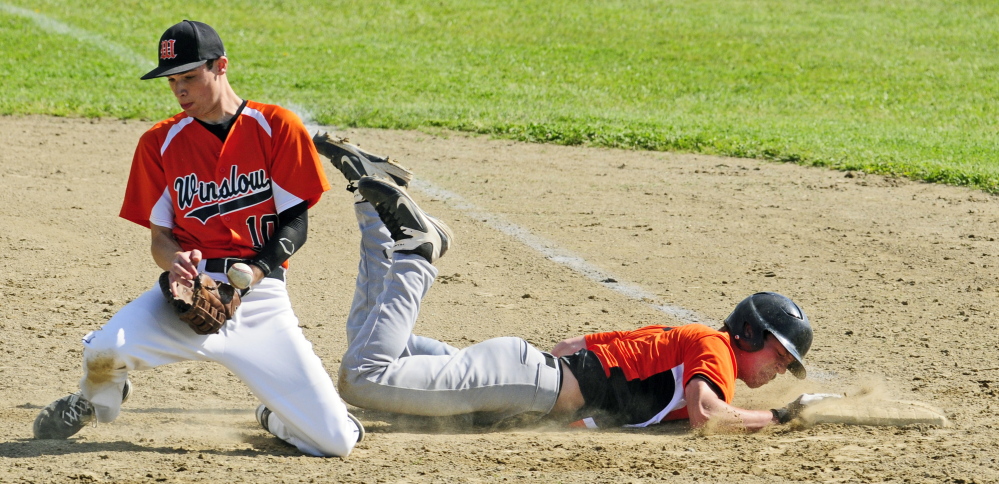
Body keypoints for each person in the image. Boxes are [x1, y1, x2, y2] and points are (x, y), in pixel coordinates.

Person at [313, 132, 822, 431]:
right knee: (364, 378)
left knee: (371, 352)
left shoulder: (688, 340)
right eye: (780, 355)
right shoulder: (717, 349)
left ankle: (373, 202)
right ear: (750, 335)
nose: (781, 369)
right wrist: (780, 417)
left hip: (525, 377)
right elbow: (707, 412)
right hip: (527, 381)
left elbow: (575, 344)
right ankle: (417, 253)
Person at [32, 21, 362, 457]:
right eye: (172, 80)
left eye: (189, 76)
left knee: (336, 442)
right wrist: (173, 263)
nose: (179, 89)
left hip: (260, 299)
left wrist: (255, 273)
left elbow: (295, 225)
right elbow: (160, 239)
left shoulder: (276, 127)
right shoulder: (159, 143)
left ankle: (277, 415)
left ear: (220, 66)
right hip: (189, 291)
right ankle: (94, 400)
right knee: (104, 352)